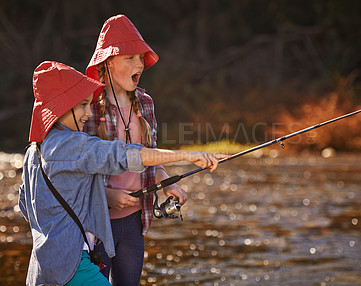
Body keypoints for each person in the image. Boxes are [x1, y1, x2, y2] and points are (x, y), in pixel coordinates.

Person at [19, 61, 227, 286]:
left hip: (41, 267)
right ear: (61, 106)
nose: (88, 113)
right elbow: (124, 154)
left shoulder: (34, 150)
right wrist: (185, 155)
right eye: (82, 105)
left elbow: (26, 204)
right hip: (72, 267)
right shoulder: (73, 145)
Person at [83, 14, 194, 285]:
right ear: (107, 62)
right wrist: (107, 195)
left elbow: (151, 156)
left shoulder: (145, 103)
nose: (140, 64)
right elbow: (78, 167)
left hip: (135, 222)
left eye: (141, 58)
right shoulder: (86, 107)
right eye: (129, 58)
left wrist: (167, 184)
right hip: (97, 224)